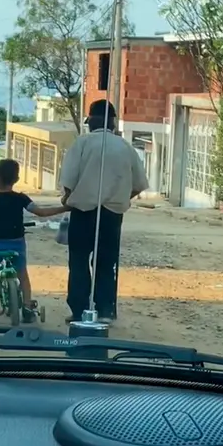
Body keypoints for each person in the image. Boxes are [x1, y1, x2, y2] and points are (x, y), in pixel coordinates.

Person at [59, 99, 149, 323]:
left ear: (91, 121)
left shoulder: (82, 144)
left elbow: (68, 180)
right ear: (113, 122)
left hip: (82, 212)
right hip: (112, 215)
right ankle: (105, 310)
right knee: (106, 262)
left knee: (79, 262)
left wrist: (68, 198)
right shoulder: (126, 147)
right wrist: (119, 197)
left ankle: (79, 310)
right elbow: (138, 185)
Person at [0, 159, 68, 324]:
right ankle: (27, 308)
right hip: (17, 243)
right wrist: (65, 208)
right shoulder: (21, 198)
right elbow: (40, 212)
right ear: (16, 179)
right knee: (23, 276)